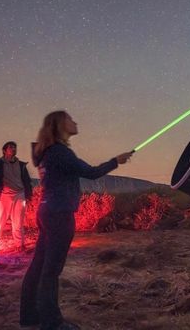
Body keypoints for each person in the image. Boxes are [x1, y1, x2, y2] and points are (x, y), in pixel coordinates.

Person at [20, 111, 133, 330]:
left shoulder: (47, 153)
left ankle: (29, 318)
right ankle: (52, 323)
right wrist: (115, 161)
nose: (75, 121)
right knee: (51, 270)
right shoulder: (60, 152)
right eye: (70, 119)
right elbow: (91, 173)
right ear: (60, 125)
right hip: (60, 214)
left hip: (47, 211)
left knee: (39, 267)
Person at [0, 141, 33, 252]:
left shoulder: (21, 165)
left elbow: (27, 181)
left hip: (19, 194)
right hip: (3, 195)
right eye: (11, 147)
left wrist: (28, 195)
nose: (13, 149)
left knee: (18, 221)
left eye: (15, 147)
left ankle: (19, 245)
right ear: (4, 150)